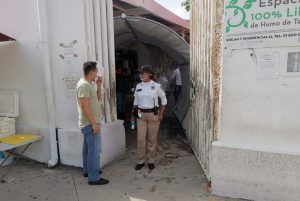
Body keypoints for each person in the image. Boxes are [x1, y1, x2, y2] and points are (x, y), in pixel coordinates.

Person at [75, 61, 109, 185]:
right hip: (90, 123)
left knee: (88, 149)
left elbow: (97, 99)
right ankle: (94, 178)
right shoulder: (84, 85)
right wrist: (94, 123)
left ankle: (88, 171)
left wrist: (99, 85)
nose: (97, 74)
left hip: (88, 123)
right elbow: (84, 105)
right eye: (96, 71)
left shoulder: (88, 84)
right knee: (94, 151)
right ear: (92, 72)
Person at [132, 65, 167, 170]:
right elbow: (135, 102)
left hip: (153, 115)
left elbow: (164, 100)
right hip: (141, 115)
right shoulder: (138, 86)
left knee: (152, 139)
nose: (140, 75)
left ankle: (151, 160)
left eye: (142, 73)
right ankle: (140, 161)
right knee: (140, 139)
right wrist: (132, 116)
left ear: (149, 74)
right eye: (140, 73)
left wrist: (161, 113)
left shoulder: (156, 86)